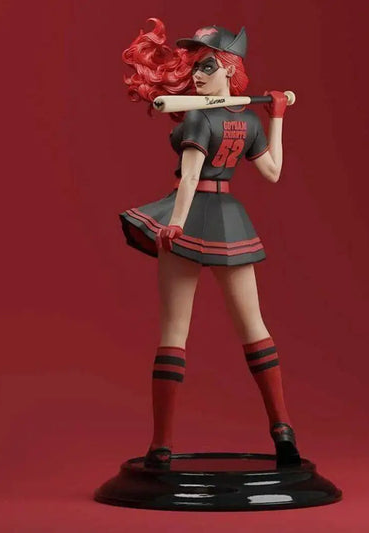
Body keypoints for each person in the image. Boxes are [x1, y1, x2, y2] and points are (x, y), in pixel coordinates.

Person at [120, 18, 301, 468]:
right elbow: (273, 172)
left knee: (175, 332)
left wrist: (176, 225)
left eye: (206, 66)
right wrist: (276, 117)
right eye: (194, 66)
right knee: (252, 328)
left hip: (193, 215)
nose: (196, 75)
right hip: (229, 219)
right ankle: (282, 430)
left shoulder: (199, 116)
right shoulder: (248, 120)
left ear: (229, 69)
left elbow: (191, 177)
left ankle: (162, 446)